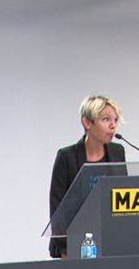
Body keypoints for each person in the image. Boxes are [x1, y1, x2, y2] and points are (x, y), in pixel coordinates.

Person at [48, 94, 127, 258]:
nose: (113, 126)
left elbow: (123, 200)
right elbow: (58, 210)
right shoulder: (67, 157)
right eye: (106, 119)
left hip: (111, 246)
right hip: (74, 248)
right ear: (87, 122)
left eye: (115, 120)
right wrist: (66, 250)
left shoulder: (117, 152)